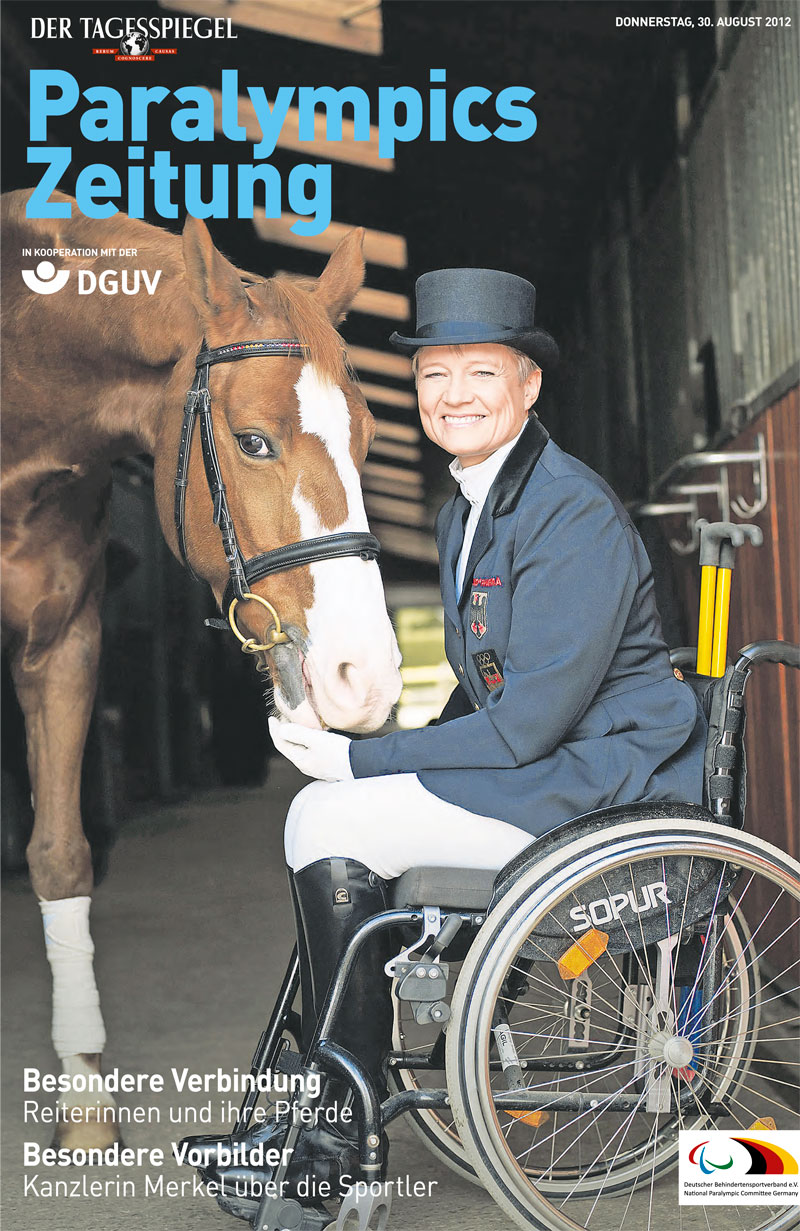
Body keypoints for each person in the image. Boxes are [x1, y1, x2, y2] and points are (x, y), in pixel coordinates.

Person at [194, 267, 707, 1205]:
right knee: (331, 814)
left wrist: (367, 756)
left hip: (600, 787)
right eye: (436, 375)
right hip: (548, 768)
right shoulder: (468, 506)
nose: (454, 395)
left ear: (528, 384)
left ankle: (338, 1127)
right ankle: (332, 1102)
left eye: (480, 373)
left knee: (328, 813)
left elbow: (527, 724)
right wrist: (385, 753)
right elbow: (478, 699)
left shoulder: (571, 510)